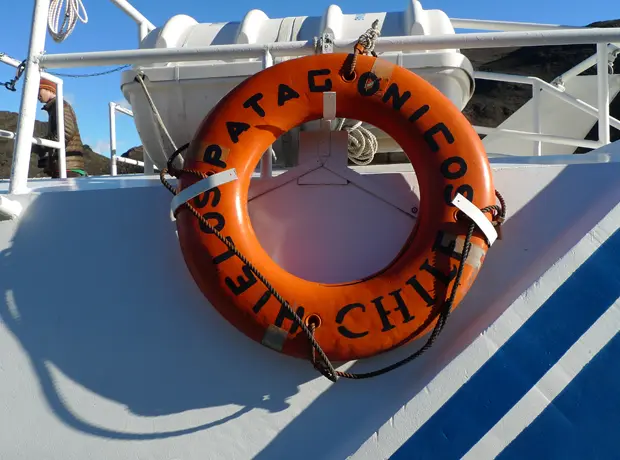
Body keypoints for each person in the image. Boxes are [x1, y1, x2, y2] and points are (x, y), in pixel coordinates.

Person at [33, 78, 87, 178]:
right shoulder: (56, 107)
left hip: (68, 167)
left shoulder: (61, 106)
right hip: (65, 166)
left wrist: (39, 145)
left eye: (38, 90)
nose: (37, 95)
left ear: (48, 89)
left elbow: (65, 133)